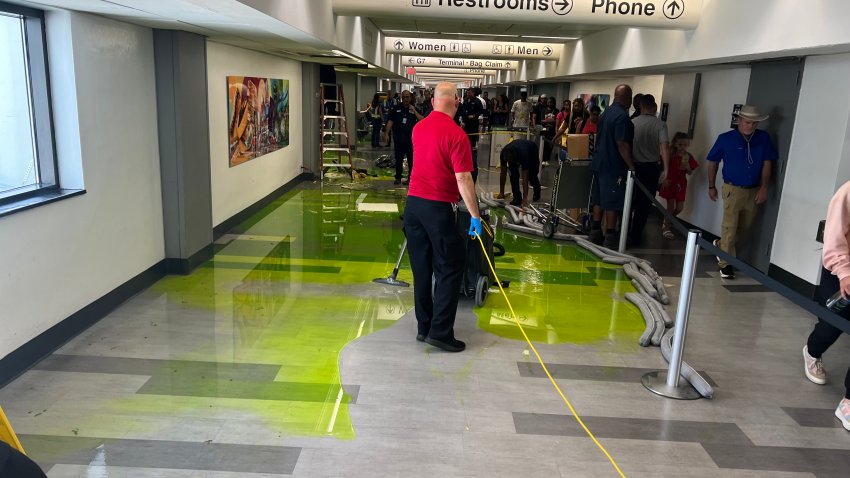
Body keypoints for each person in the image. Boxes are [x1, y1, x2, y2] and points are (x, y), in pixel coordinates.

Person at [404, 82, 481, 353]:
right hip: (437, 208)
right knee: (450, 266)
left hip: (412, 207)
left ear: (434, 101)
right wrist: (475, 215)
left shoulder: (418, 128)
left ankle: (424, 328)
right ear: (456, 101)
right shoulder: (458, 135)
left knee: (421, 269)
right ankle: (440, 332)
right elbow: (462, 177)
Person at [707, 105, 777, 279]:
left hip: (753, 189)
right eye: (747, 122)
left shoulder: (763, 138)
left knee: (745, 227)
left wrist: (764, 187)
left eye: (754, 123)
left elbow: (767, 163)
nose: (750, 126)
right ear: (738, 121)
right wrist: (711, 185)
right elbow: (712, 162)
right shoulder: (725, 139)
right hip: (732, 188)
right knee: (730, 227)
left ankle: (721, 244)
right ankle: (725, 264)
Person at [802, 180, 850, 431]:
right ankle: (812, 351)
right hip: (842, 271)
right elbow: (834, 236)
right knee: (830, 327)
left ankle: (848, 402)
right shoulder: (847, 193)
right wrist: (844, 272)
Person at [590, 84, 635, 249]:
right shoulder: (622, 117)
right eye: (630, 98)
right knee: (612, 201)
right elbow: (622, 143)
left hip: (599, 162)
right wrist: (631, 166)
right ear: (627, 98)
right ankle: (610, 235)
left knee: (599, 198)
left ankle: (595, 230)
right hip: (613, 165)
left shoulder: (605, 113)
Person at [628, 94, 670, 247]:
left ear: (640, 106)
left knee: (629, 201)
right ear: (654, 107)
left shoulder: (632, 122)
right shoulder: (660, 125)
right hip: (651, 168)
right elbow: (664, 146)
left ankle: (623, 231)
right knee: (643, 205)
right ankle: (636, 236)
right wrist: (666, 169)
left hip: (632, 166)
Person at [659, 132, 698, 239]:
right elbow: (662, 167)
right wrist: (663, 179)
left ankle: (668, 220)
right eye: (680, 144)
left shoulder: (688, 156)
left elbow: (690, 172)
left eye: (685, 145)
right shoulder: (670, 154)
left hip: (681, 184)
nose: (682, 147)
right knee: (670, 206)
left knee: (680, 207)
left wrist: (688, 167)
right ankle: (666, 228)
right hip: (670, 182)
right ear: (675, 144)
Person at [384, 90, 423, 185]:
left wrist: (414, 111)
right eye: (404, 97)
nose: (405, 99)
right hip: (398, 139)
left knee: (411, 160)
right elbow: (390, 121)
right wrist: (386, 133)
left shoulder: (414, 108)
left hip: (410, 140)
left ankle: (410, 178)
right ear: (401, 98)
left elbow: (422, 120)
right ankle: (398, 177)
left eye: (407, 97)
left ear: (410, 98)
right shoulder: (396, 108)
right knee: (399, 159)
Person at [500, 138, 541, 207]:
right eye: (507, 161)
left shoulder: (523, 154)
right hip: (517, 150)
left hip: (532, 150)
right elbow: (503, 173)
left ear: (514, 157)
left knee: (532, 175)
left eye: (510, 160)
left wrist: (525, 199)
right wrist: (501, 192)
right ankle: (517, 197)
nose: (508, 161)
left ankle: (537, 190)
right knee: (513, 175)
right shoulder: (503, 154)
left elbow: (525, 179)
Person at [456, 88, 484, 182]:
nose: (468, 93)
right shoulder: (466, 101)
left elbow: (481, 111)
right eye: (468, 92)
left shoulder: (477, 101)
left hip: (473, 124)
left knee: (471, 141)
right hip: (466, 123)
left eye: (470, 92)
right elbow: (463, 111)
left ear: (473, 93)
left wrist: (475, 115)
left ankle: (471, 151)